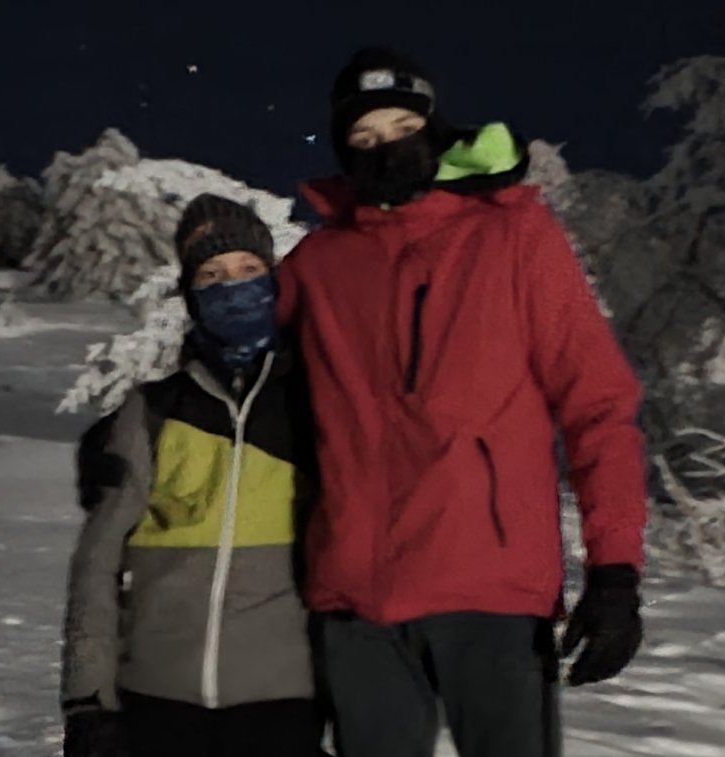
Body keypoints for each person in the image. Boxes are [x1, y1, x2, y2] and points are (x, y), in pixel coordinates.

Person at [275, 47, 649, 757]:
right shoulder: (319, 265)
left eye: (402, 127)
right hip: (355, 599)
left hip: (490, 588)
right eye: (364, 137)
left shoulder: (513, 237)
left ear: (436, 130)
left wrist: (616, 570)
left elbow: (598, 405)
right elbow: (244, 378)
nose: (385, 148)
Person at [60, 194, 324, 757]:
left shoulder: (314, 406)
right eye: (212, 275)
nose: (234, 288)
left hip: (283, 704)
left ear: (275, 281)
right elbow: (97, 564)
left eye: (249, 270)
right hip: (156, 703)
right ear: (190, 294)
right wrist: (87, 697)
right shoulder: (151, 411)